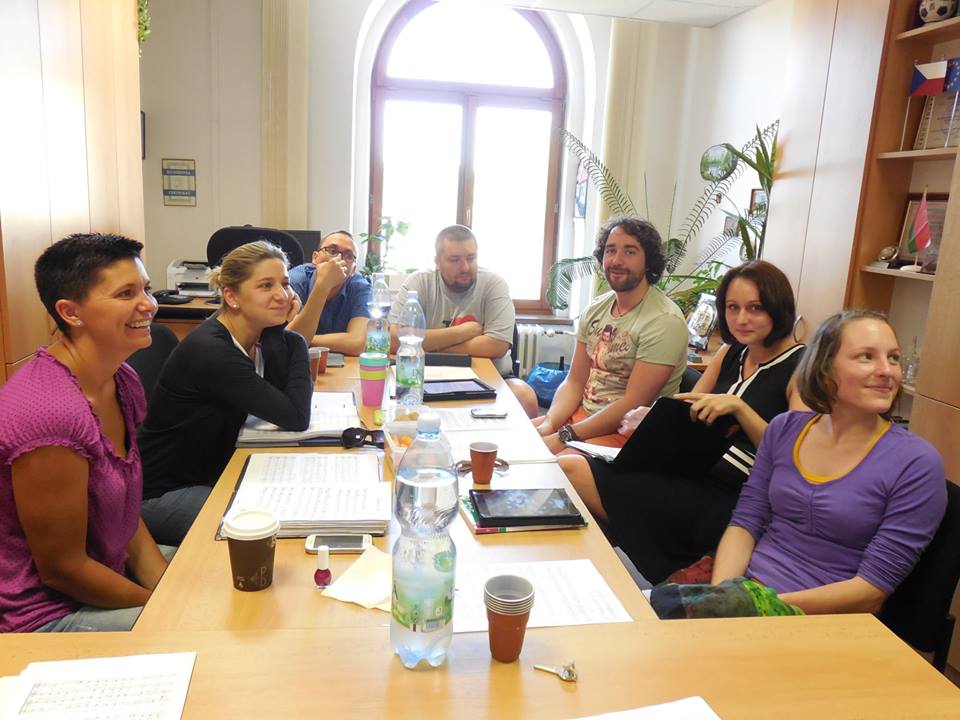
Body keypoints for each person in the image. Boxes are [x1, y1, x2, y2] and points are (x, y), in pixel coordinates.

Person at [559, 261, 807, 583]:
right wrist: (652, 418)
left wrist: (741, 410)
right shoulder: (731, 353)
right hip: (690, 470)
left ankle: (641, 575)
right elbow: (684, 409)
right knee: (572, 470)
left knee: (580, 481)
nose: (741, 318)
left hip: (733, 493)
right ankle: (629, 577)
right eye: (733, 307)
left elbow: (795, 454)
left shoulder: (800, 368)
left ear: (778, 307)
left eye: (755, 308)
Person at [698, 310, 946, 617]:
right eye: (867, 357)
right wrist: (723, 595)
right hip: (747, 592)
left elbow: (871, 592)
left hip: (822, 619)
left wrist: (757, 608)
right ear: (824, 367)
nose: (887, 370)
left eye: (893, 358)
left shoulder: (917, 463)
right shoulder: (784, 429)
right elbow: (746, 522)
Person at [0, 233, 170, 633]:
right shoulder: (48, 414)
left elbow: (125, 518)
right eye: (126, 293)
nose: (149, 304)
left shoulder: (121, 379)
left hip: (107, 572)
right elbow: (63, 569)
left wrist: (168, 591)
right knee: (206, 631)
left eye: (146, 289)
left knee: (217, 585)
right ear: (70, 313)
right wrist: (168, 609)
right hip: (45, 613)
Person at [139, 241, 312, 546]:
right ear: (232, 297)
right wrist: (293, 337)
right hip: (163, 493)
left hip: (210, 471)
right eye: (266, 285)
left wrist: (277, 330)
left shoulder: (253, 335)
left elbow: (279, 394)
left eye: (285, 284)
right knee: (272, 527)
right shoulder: (212, 351)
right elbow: (295, 415)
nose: (282, 295)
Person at [533, 216, 688, 453]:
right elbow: (575, 381)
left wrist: (564, 436)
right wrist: (550, 423)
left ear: (648, 261)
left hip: (628, 435)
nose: (617, 260)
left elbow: (632, 403)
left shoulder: (664, 321)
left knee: (551, 463)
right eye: (610, 250)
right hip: (582, 420)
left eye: (630, 252)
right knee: (514, 438)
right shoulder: (596, 309)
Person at [388, 225, 516, 375]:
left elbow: (497, 346)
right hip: (428, 375)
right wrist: (463, 332)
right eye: (454, 260)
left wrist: (426, 344)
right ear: (437, 262)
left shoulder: (494, 284)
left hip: (491, 377)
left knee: (522, 390)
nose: (465, 267)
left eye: (471, 258)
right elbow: (392, 340)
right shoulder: (419, 282)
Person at [286, 230, 369, 355]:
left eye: (348, 255)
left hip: (344, 365)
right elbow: (286, 343)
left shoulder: (360, 287)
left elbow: (358, 343)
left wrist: (305, 338)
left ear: (353, 270)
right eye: (332, 251)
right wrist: (323, 285)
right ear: (315, 258)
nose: (338, 259)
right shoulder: (294, 281)